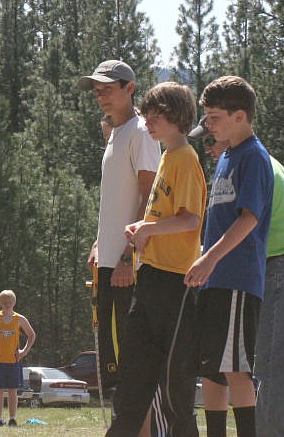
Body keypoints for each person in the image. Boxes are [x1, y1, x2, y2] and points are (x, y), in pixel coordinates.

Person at [105, 82, 206, 436]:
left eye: (154, 115)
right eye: (145, 115)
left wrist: (147, 230)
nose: (147, 121)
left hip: (176, 284)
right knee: (133, 379)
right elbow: (163, 215)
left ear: (176, 117)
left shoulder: (186, 159)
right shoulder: (165, 156)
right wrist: (141, 229)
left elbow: (191, 219)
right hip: (148, 280)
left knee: (177, 386)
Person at [184, 76, 273, 437]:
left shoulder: (253, 155)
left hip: (236, 278)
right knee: (211, 369)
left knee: (237, 368)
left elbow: (249, 218)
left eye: (215, 117)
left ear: (240, 116)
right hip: (215, 280)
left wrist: (210, 259)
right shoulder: (226, 155)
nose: (209, 125)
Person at [80, 60, 161, 392]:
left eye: (108, 90)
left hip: (130, 267)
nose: (101, 97)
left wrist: (130, 255)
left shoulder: (141, 132)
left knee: (132, 368)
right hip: (110, 264)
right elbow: (116, 201)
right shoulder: (116, 133)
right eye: (97, 91)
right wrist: (100, 243)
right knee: (115, 368)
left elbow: (151, 196)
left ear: (130, 88)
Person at [0, 290, 36, 427]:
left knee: (12, 391)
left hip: (14, 361)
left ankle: (12, 419)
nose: (7, 304)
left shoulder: (19, 319)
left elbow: (32, 335)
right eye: (4, 302)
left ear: (14, 302)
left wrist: (24, 351)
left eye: (9, 301)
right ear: (0, 303)